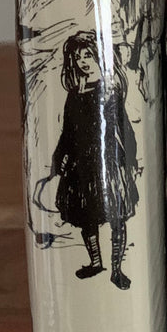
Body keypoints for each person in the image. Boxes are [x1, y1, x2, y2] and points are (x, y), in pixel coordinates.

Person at [18, 0, 129, 247]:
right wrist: (55, 38)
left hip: (80, 86)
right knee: (41, 144)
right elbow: (25, 41)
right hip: (43, 84)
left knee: (81, 147)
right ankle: (41, 219)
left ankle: (83, 216)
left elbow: (114, 34)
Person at [44, 31, 139, 290]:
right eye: (78, 57)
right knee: (87, 217)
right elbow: (68, 131)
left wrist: (130, 158)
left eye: (87, 55)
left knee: (117, 217)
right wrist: (59, 158)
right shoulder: (74, 93)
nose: (83, 61)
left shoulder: (109, 90)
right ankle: (96, 262)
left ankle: (117, 269)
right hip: (80, 165)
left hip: (107, 162)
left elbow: (123, 127)